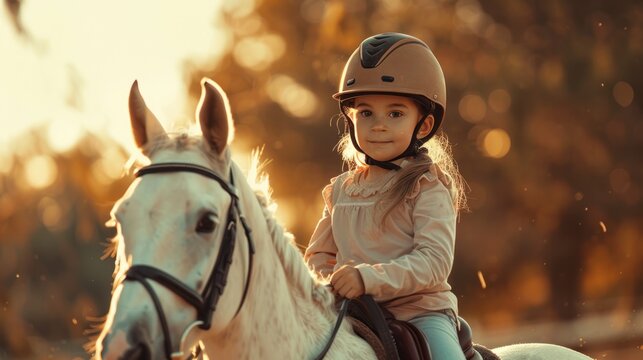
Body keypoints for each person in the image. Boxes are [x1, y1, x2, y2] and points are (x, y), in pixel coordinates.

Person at [304, 32, 468, 360]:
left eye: (395, 114)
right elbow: (317, 258)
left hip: (420, 314)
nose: (378, 125)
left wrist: (366, 278)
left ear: (423, 125)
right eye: (366, 113)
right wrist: (330, 282)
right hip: (351, 313)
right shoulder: (341, 190)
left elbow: (434, 262)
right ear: (351, 118)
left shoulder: (427, 187)